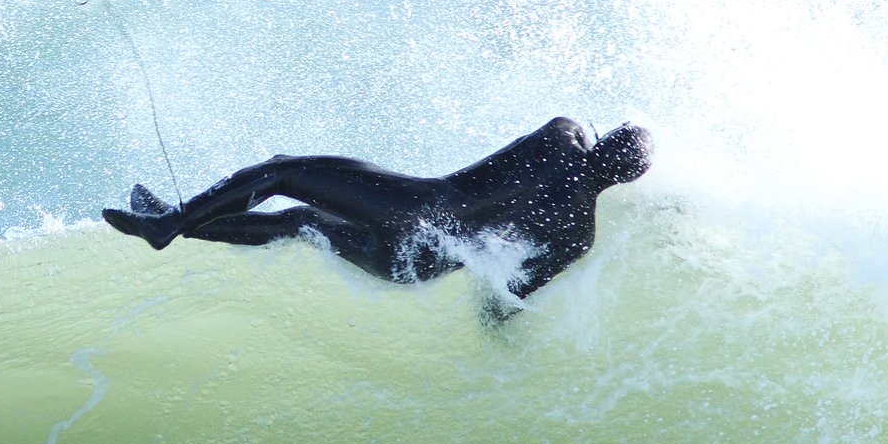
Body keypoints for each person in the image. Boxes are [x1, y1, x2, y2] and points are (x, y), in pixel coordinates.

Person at [102, 117, 651, 311]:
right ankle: (174, 226)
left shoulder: (563, 136)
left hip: (416, 212)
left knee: (284, 172)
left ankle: (171, 224)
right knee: (303, 223)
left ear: (607, 140)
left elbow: (577, 134)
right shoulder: (578, 235)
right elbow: (503, 297)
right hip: (413, 266)